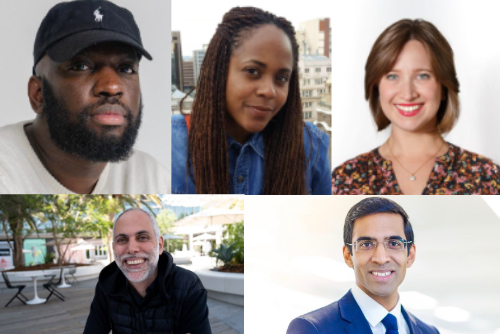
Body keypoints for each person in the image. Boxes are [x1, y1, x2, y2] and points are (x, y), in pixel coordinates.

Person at [0, 0, 170, 194]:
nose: (112, 86)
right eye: (80, 66)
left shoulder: (153, 178)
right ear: (38, 94)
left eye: (126, 68)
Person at [171, 7, 331, 195]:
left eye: (281, 78)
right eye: (253, 71)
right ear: (219, 70)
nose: (269, 91)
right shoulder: (171, 143)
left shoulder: (312, 146)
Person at [332, 19, 500, 195]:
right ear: (376, 87)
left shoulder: (487, 176)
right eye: (392, 76)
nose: (408, 93)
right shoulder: (343, 180)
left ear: (443, 86)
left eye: (422, 76)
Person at [284, 197, 441, 334]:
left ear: (410, 255)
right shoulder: (313, 331)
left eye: (394, 243)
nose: (381, 258)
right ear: (348, 256)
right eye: (366, 244)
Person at [80, 208, 212, 334]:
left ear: (160, 245)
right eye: (122, 240)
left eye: (142, 237)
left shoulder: (188, 286)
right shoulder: (107, 285)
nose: (132, 248)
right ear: (114, 248)